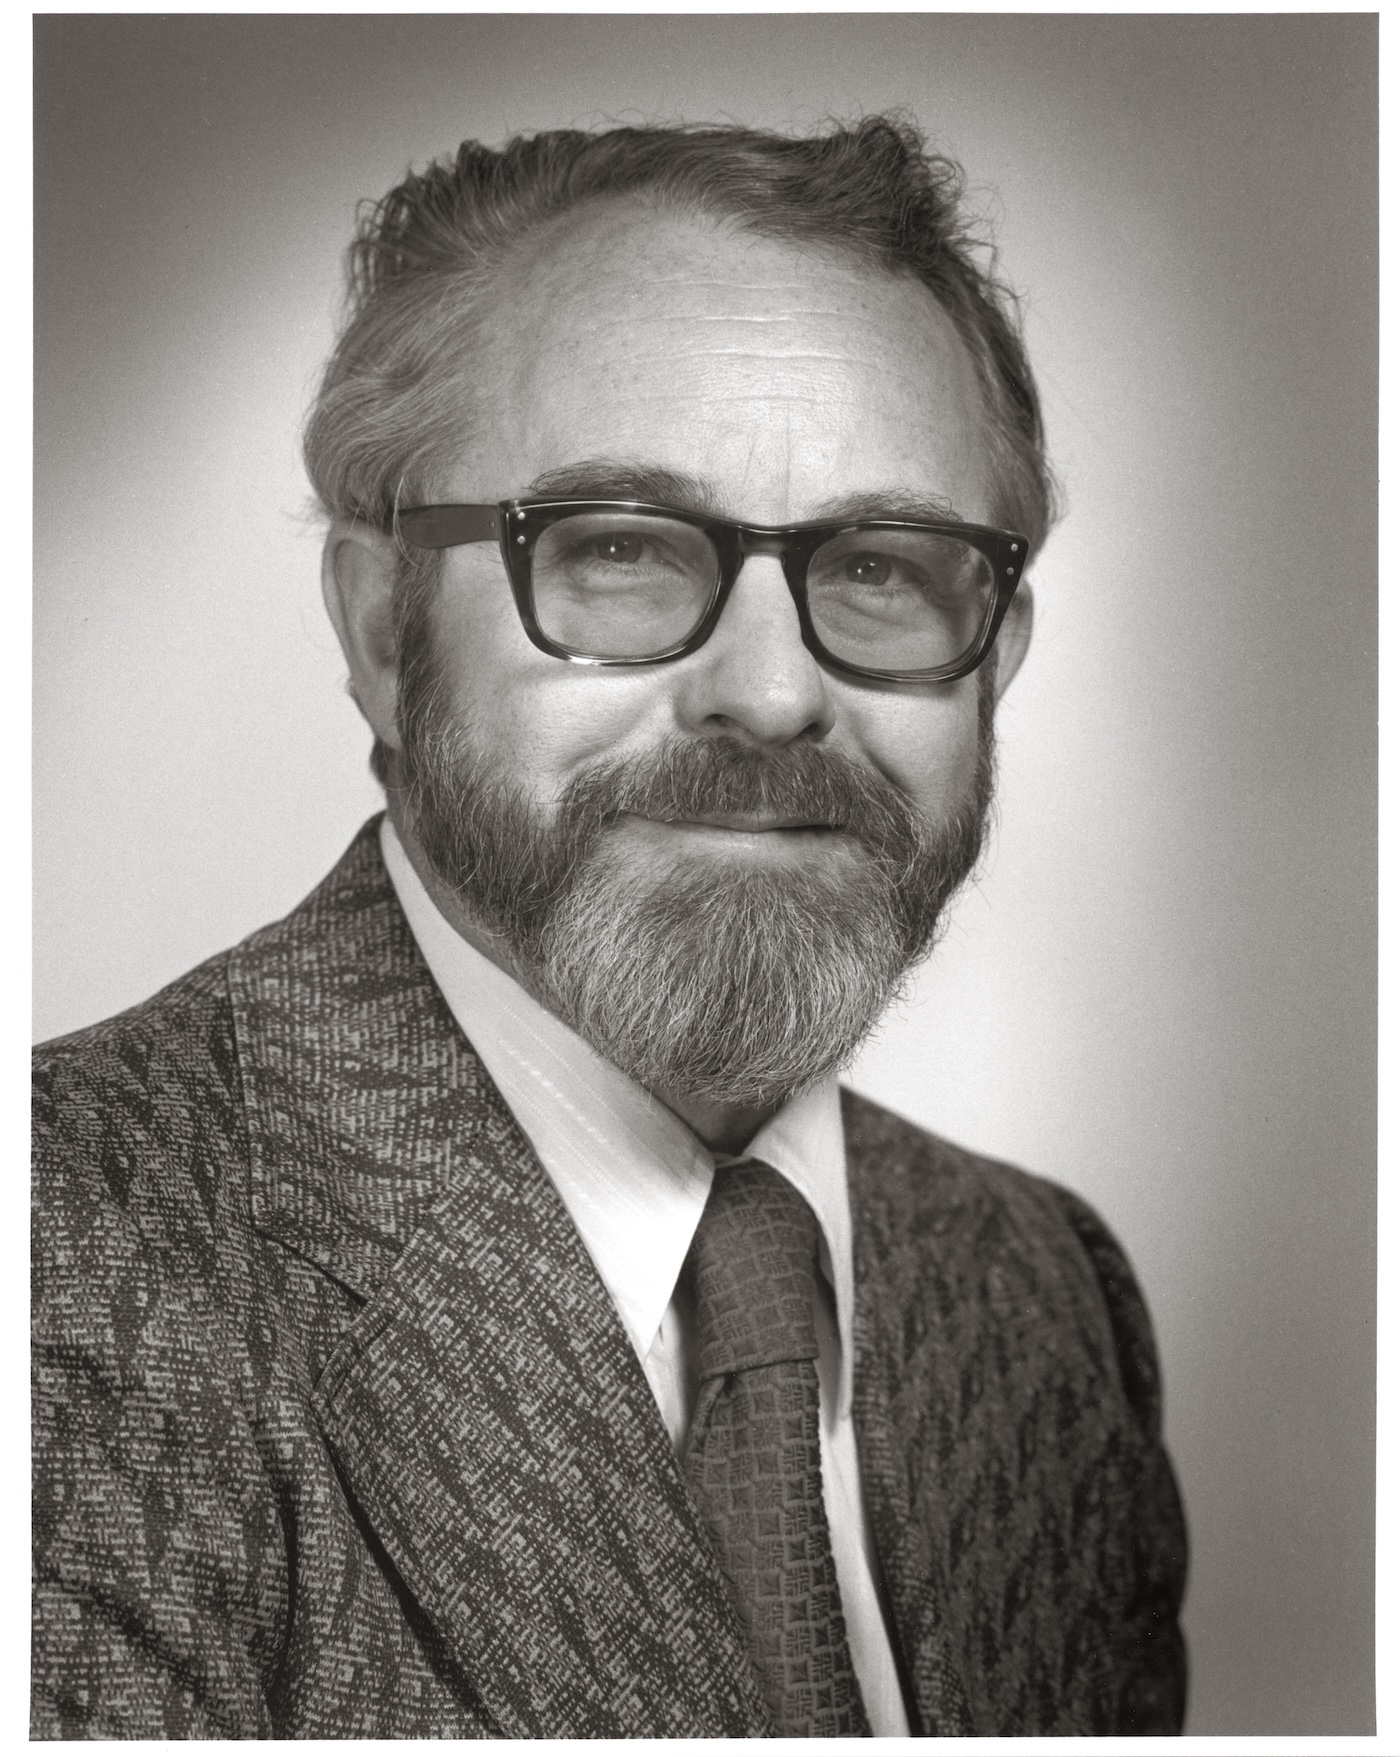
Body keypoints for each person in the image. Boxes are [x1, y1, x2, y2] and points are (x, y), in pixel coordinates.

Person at [31, 116, 1187, 1739]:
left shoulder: (1042, 1289)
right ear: (380, 626)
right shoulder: (61, 1264)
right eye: (625, 553)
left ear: (994, 659)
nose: (775, 694)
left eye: (880, 566)